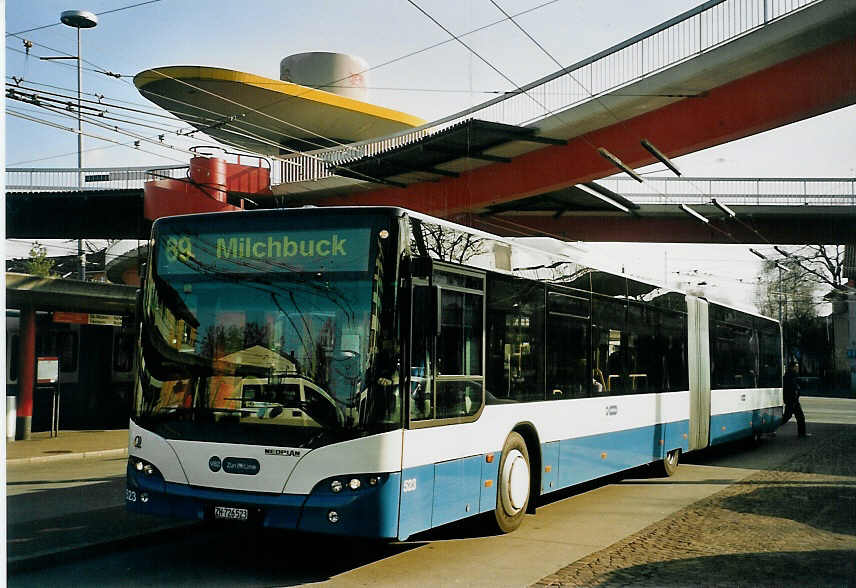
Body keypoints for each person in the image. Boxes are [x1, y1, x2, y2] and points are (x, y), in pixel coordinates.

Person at [782, 361, 808, 437]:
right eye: (796, 367)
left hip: (793, 400)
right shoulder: (790, 375)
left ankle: (802, 433)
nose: (797, 368)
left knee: (798, 417)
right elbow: (791, 388)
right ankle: (771, 428)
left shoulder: (791, 375)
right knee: (788, 417)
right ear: (792, 367)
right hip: (792, 400)